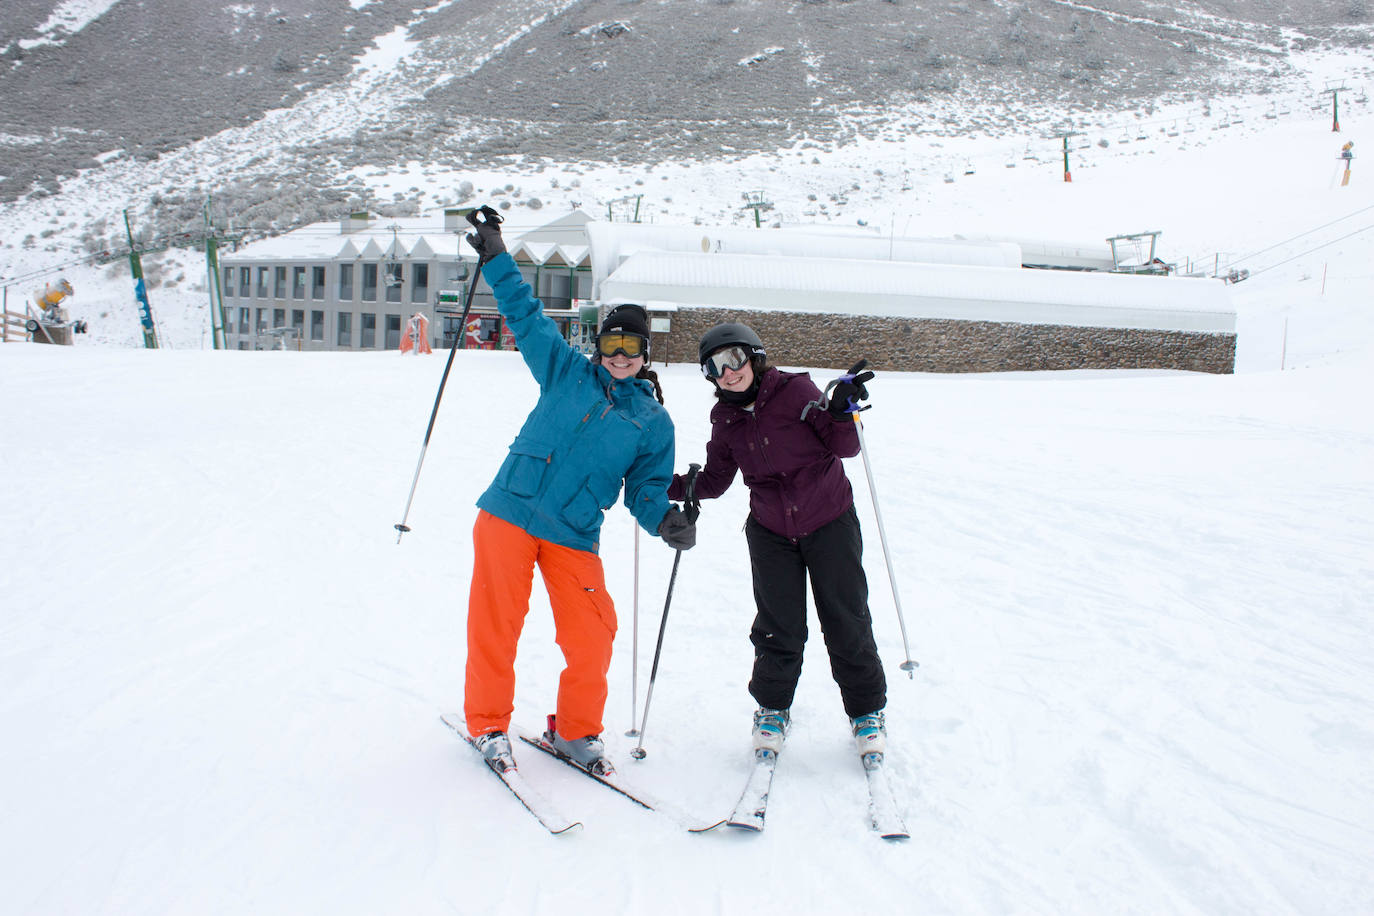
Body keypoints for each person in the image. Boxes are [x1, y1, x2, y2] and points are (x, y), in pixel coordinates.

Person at [460, 206, 696, 775]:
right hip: (510, 512)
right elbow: (525, 313)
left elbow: (645, 487)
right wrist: (496, 256)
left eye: (630, 347)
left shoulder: (653, 422)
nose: (619, 356)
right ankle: (488, 725)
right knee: (497, 625)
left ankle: (575, 732)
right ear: (598, 344)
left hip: (574, 531)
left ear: (645, 355)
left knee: (592, 635)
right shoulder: (564, 370)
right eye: (611, 343)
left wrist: (664, 518)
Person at [668, 323, 888, 759]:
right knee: (778, 626)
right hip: (770, 532)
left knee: (846, 619)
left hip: (829, 522)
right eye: (713, 367)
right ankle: (772, 709)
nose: (726, 373)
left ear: (754, 356)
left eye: (732, 360)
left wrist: (841, 413)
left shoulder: (796, 391)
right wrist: (662, 485)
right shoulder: (725, 418)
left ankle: (866, 712)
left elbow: (844, 448)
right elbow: (715, 480)